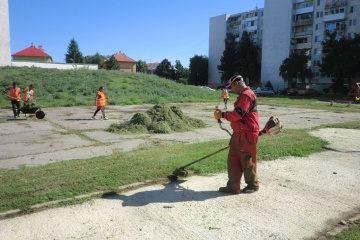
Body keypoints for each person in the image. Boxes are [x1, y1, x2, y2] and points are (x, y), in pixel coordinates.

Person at [214, 75, 260, 194]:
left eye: (232, 87)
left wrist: (222, 115)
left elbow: (238, 114)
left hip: (247, 134)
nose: (232, 90)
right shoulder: (243, 96)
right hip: (239, 133)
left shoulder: (247, 95)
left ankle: (253, 185)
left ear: (236, 84)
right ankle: (233, 186)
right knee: (233, 159)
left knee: (247, 159)